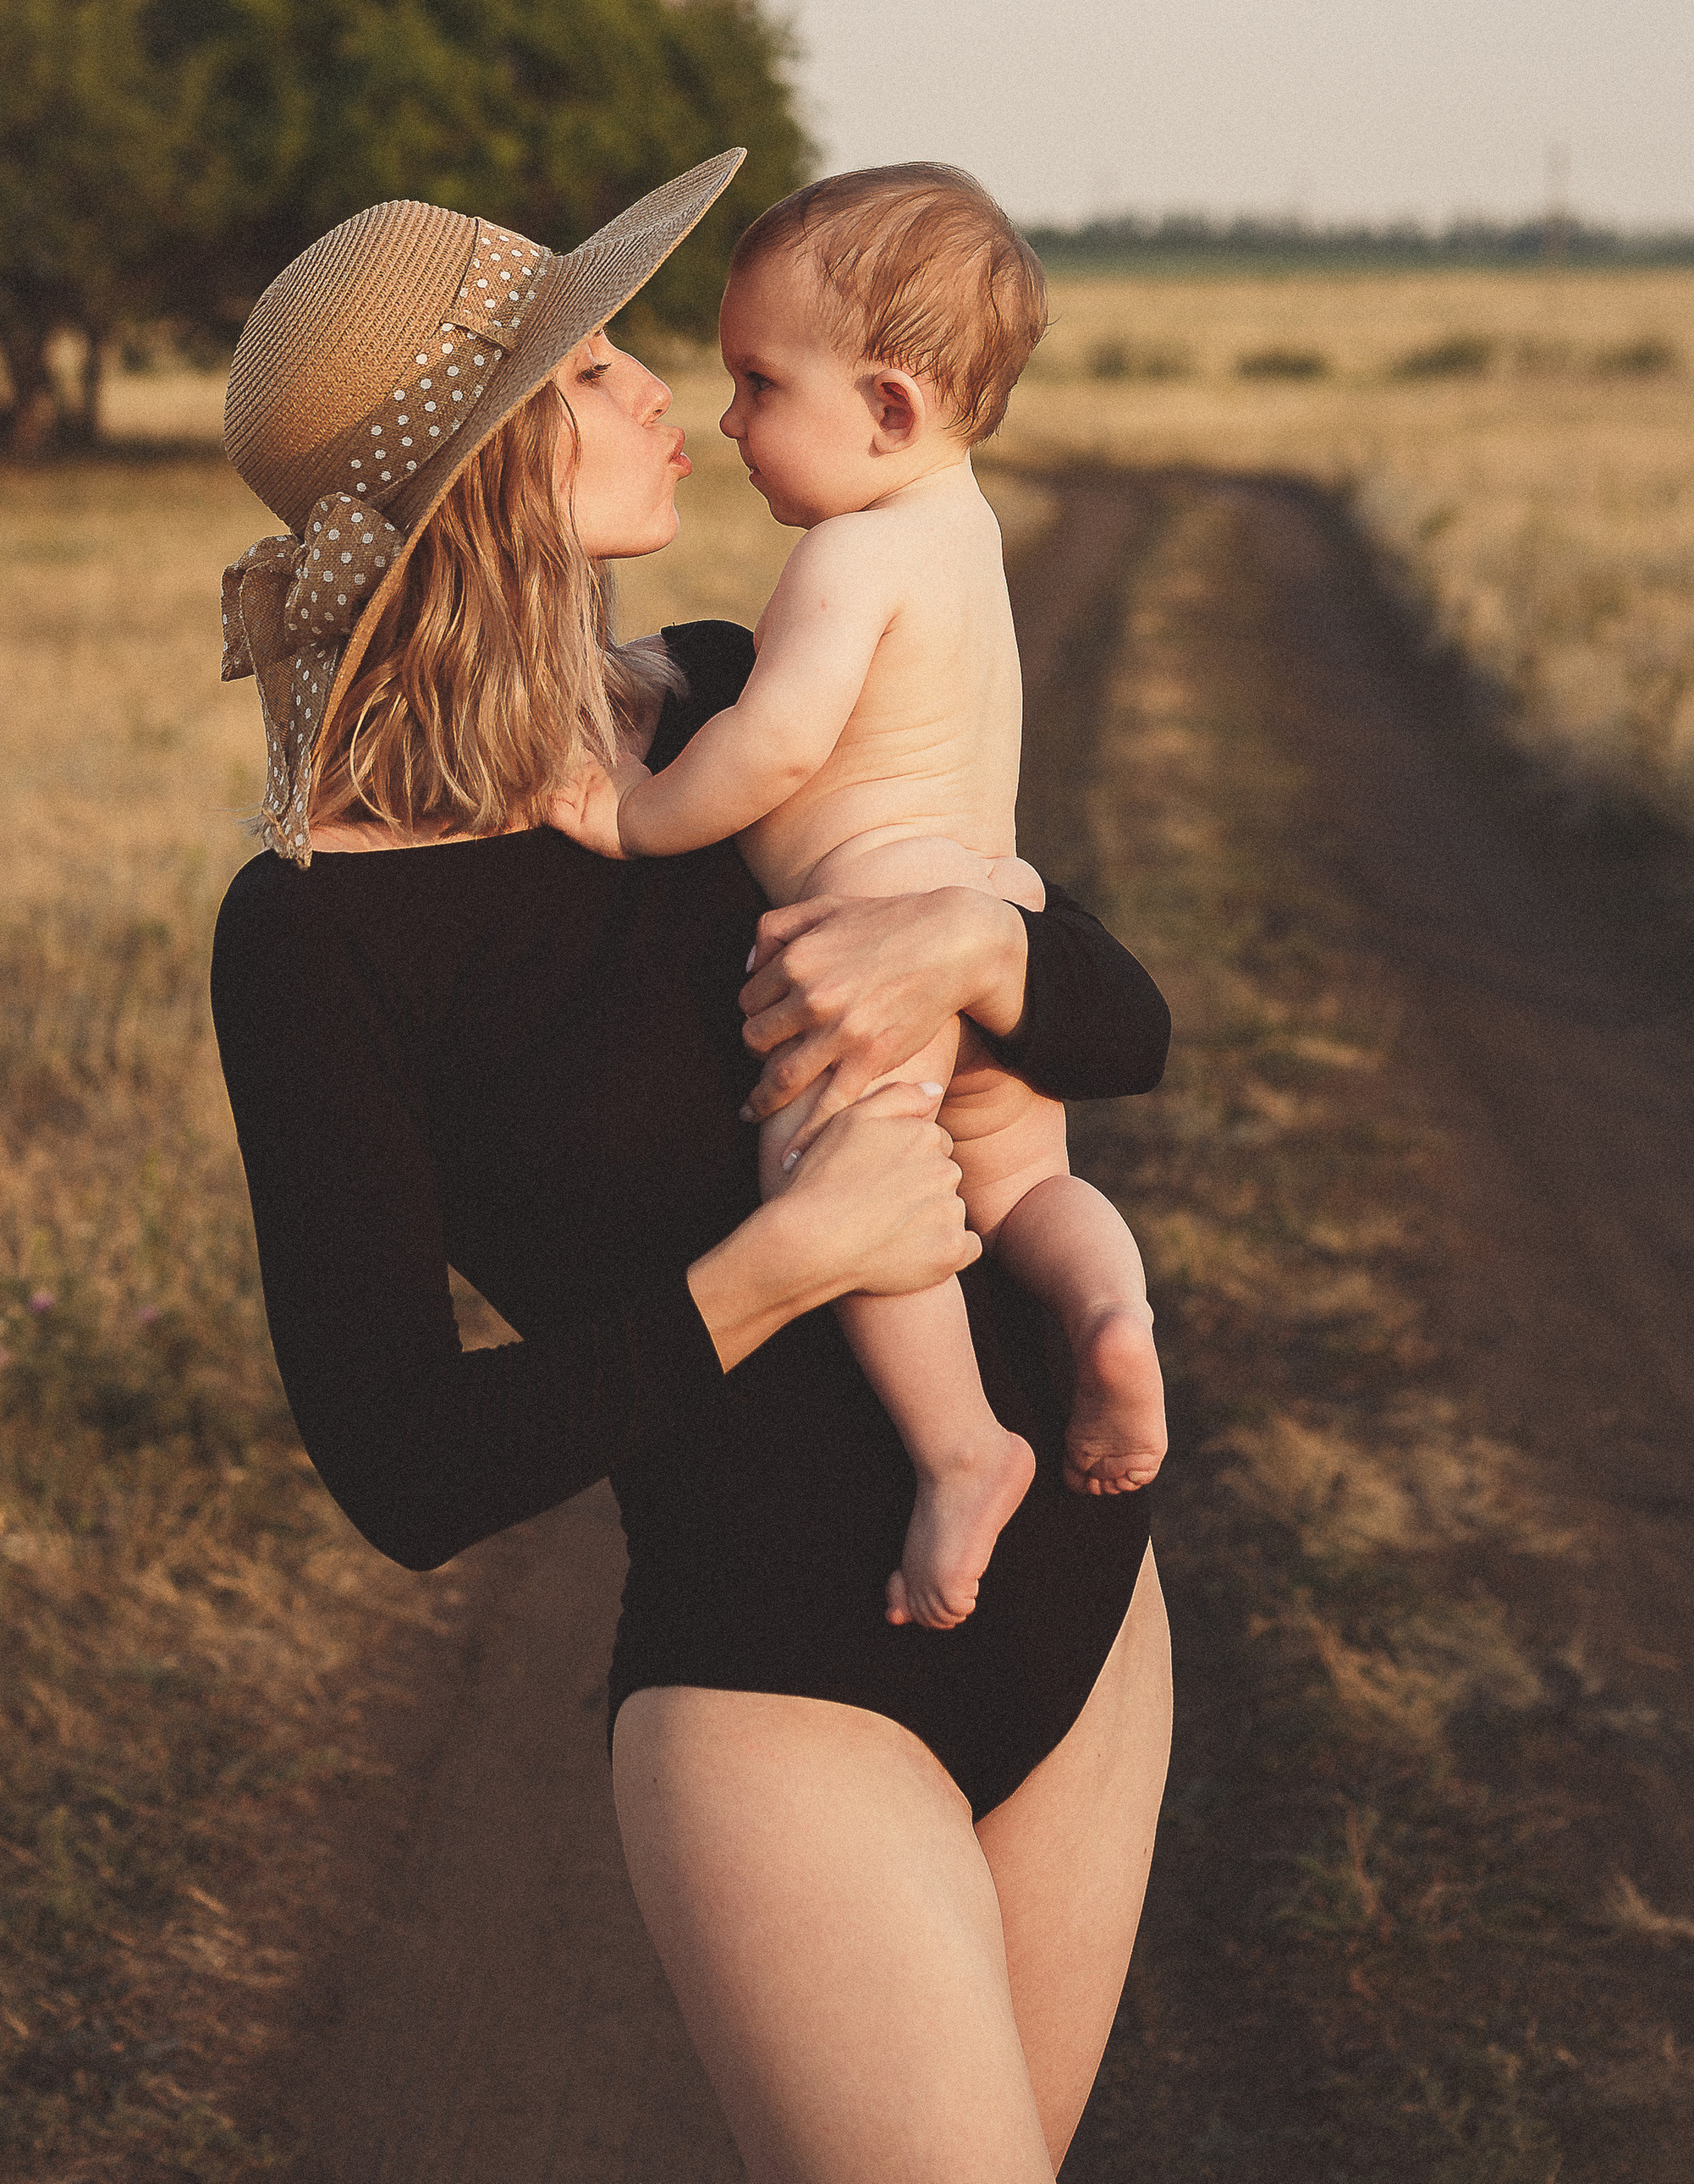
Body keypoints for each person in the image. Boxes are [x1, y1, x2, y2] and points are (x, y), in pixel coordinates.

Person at [208, 152, 1175, 2181]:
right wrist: (784, 1263)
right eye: (583, 370)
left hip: (1089, 1613)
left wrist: (980, 943)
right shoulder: (317, 935)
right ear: (485, 471)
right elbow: (403, 1466)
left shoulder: (731, 695)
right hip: (782, 1686)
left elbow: (1124, 1031)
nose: (656, 387)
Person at [555, 165, 1164, 1637]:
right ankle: (1110, 1312)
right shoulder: (962, 529)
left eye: (760, 385)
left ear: (890, 408)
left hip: (868, 921)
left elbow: (774, 745)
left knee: (831, 1172)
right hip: (987, 902)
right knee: (1021, 1186)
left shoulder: (848, 553)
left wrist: (633, 817)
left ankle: (961, 1451)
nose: (727, 420)